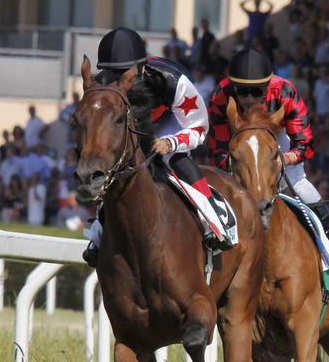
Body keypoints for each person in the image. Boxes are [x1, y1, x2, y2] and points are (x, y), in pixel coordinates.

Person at [82, 27, 233, 267]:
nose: (120, 79)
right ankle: (99, 234)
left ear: (141, 67)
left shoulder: (171, 79)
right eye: (114, 72)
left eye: (126, 72)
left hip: (171, 119)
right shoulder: (103, 83)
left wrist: (171, 142)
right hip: (134, 122)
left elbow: (199, 128)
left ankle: (213, 222)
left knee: (172, 160)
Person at [206, 47, 329, 264]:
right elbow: (217, 149)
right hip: (239, 140)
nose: (248, 99)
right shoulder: (220, 96)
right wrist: (236, 165)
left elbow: (305, 143)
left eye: (256, 92)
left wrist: (284, 159)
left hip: (276, 135)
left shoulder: (285, 91)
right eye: (242, 92)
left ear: (267, 86)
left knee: (296, 179)